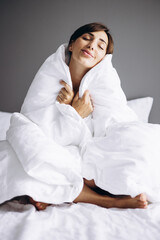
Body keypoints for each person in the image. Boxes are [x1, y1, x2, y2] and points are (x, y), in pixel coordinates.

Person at [28, 22, 148, 210]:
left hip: (90, 154)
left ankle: (57, 191)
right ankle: (110, 201)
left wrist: (76, 114)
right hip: (61, 150)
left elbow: (110, 130)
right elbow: (35, 128)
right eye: (87, 38)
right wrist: (74, 112)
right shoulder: (49, 76)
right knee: (24, 150)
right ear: (72, 44)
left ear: (103, 59)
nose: (92, 45)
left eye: (101, 46)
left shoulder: (104, 86)